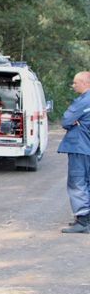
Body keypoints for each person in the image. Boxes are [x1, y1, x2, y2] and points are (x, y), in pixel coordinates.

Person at [58, 71, 90, 234]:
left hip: (80, 146)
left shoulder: (84, 100)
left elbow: (66, 120)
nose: (73, 85)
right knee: (88, 182)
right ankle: (86, 220)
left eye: (76, 82)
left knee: (77, 182)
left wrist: (76, 122)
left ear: (85, 83)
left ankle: (83, 221)